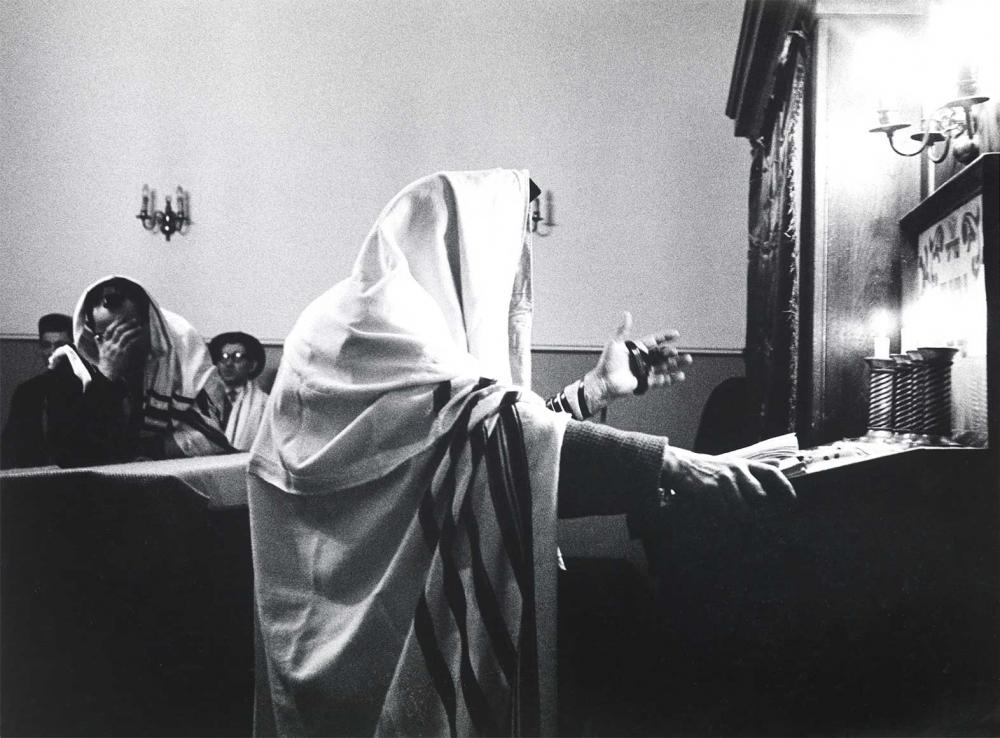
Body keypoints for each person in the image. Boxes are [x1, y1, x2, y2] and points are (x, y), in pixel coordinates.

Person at [248, 169, 794, 737]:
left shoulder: (405, 328)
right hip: (342, 629)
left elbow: (484, 447)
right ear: (464, 243)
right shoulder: (364, 329)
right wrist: (677, 463)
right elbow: (492, 438)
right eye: (510, 247)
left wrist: (594, 392)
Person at [45, 276, 233, 466]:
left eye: (127, 332)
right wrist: (107, 374)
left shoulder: (180, 357)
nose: (117, 344)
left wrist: (138, 450)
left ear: (151, 326)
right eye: (105, 335)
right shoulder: (72, 367)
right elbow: (68, 454)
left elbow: (211, 439)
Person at [0, 313, 74, 468]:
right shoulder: (27, 392)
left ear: (74, 347)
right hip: (34, 478)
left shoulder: (89, 388)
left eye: (60, 346)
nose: (53, 352)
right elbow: (10, 446)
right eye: (46, 345)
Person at [209, 331, 270, 450]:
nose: (228, 363)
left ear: (252, 365)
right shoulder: (205, 400)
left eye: (237, 357)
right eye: (224, 357)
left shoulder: (265, 405)